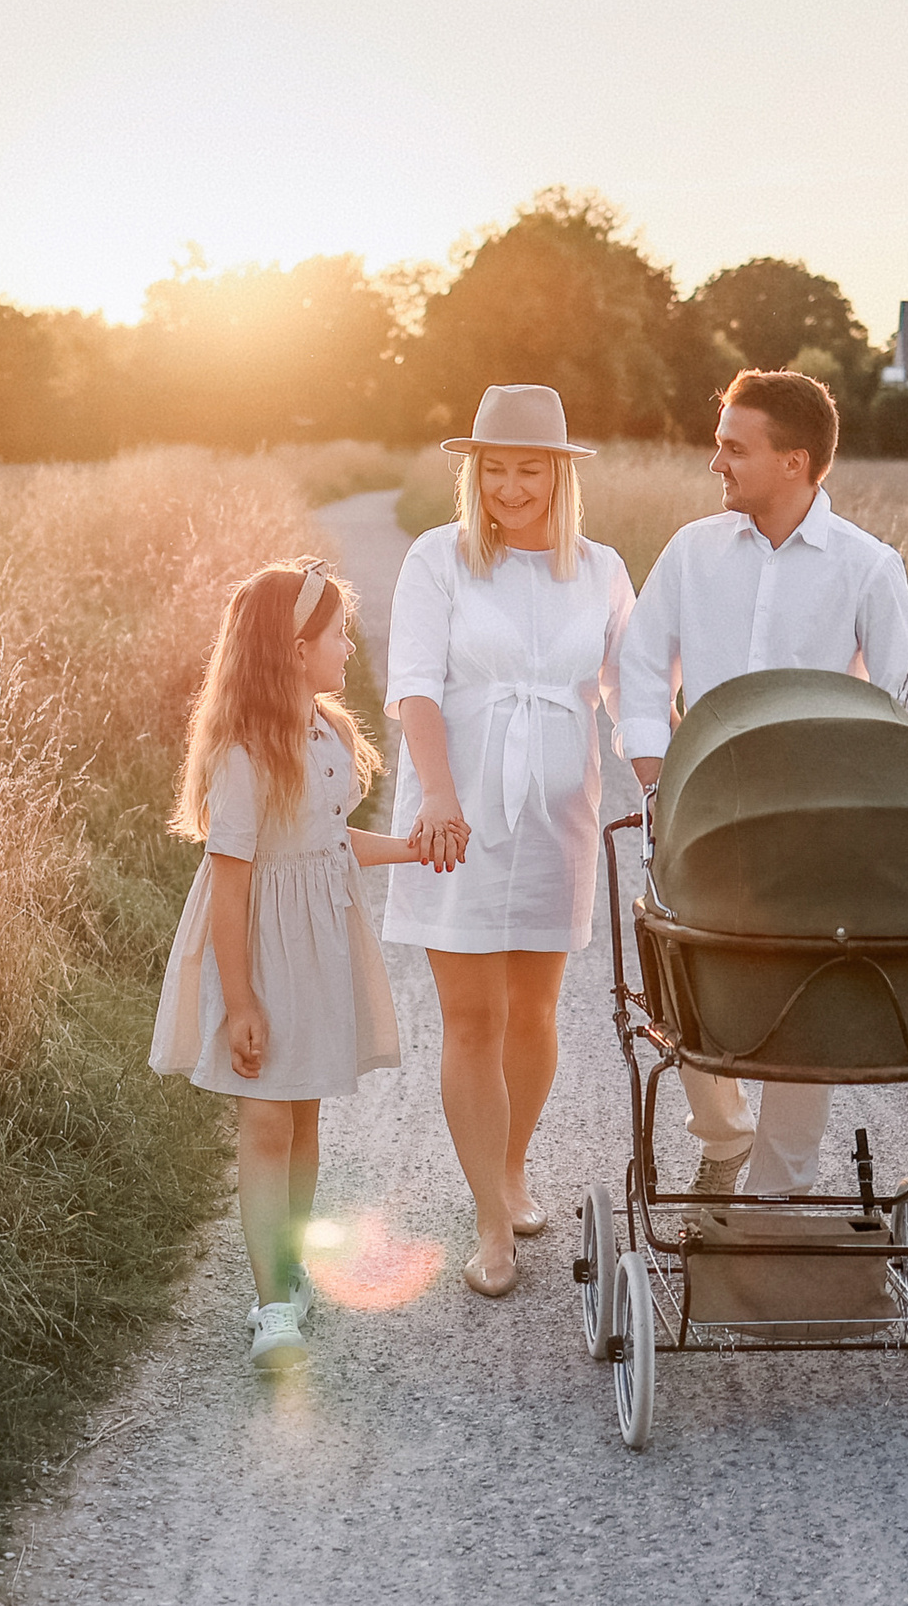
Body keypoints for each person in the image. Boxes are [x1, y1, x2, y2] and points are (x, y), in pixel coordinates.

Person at [619, 369, 908, 1196]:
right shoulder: (692, 553)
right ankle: (723, 1139)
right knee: (685, 970)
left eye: (733, 447)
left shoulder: (867, 567)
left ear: (795, 461)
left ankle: (780, 1184)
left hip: (816, 827)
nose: (715, 463)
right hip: (701, 814)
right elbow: (642, 669)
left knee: (806, 990)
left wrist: (856, 795)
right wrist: (658, 784)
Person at [152, 559, 448, 1372]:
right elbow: (231, 885)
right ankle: (271, 1304)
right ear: (293, 650)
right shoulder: (243, 756)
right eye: (336, 635)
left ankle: (287, 1268)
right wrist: (239, 1001)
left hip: (317, 946)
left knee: (306, 1115)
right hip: (258, 952)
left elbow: (329, 841)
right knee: (267, 1119)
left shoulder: (329, 734)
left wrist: (410, 851)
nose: (349, 648)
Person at [385, 385, 636, 1298]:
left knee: (534, 1013)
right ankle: (490, 1219)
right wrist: (439, 797)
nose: (511, 487)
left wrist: (669, 783)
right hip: (456, 814)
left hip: (556, 815)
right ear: (473, 472)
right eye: (494, 469)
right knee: (473, 1019)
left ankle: (513, 1165)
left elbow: (629, 692)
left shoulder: (602, 570)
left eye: (530, 469)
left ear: (561, 474)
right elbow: (413, 685)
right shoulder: (439, 559)